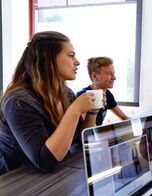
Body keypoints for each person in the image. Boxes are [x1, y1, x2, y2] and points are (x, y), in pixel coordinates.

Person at [0, 31, 101, 174]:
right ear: (49, 59)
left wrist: (93, 111)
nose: (77, 62)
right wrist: (74, 110)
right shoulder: (19, 102)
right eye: (71, 55)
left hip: (52, 176)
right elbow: (45, 161)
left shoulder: (66, 93)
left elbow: (80, 139)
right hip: (14, 181)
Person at [76, 56, 129, 125]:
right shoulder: (83, 96)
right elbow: (81, 130)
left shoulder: (107, 94)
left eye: (113, 74)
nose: (114, 78)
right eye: (110, 73)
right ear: (94, 76)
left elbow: (123, 117)